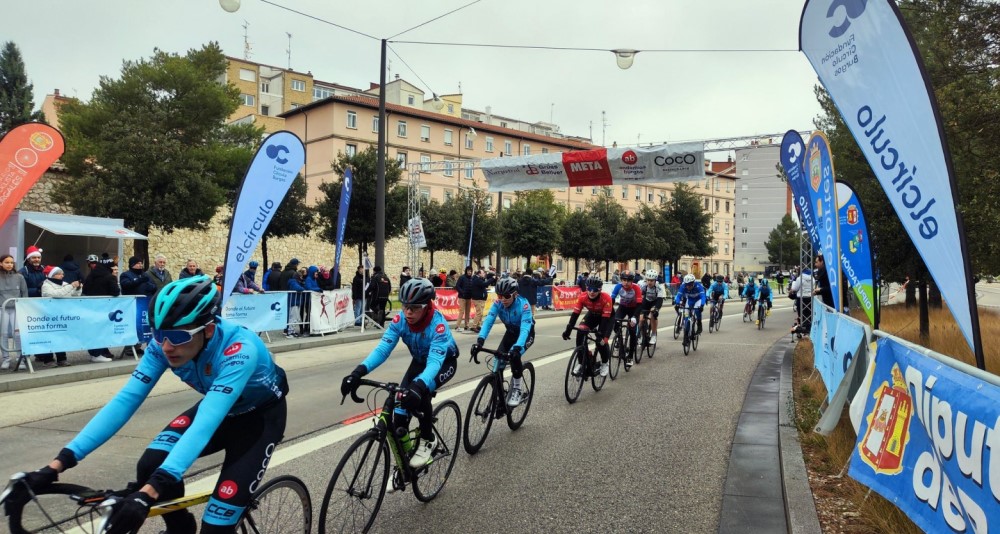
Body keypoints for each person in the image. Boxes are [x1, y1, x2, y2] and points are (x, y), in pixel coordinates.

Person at [5, 275, 289, 534]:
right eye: (159, 334)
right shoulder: (162, 345)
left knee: (215, 524)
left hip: (259, 420)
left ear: (209, 330)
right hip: (221, 411)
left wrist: (150, 493)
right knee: (150, 463)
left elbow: (207, 421)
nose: (166, 347)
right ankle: (181, 528)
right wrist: (57, 465)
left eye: (178, 337)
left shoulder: (240, 350)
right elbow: (125, 401)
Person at [341, 278, 458, 470]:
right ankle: (406, 466)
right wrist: (358, 372)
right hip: (419, 362)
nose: (408, 312)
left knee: (422, 393)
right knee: (399, 418)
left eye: (414, 308)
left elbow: (434, 363)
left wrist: (419, 386)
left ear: (427, 306)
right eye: (405, 306)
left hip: (443, 363)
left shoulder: (439, 326)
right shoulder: (401, 320)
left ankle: (429, 440)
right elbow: (382, 350)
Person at [472, 277, 534, 406]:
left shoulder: (524, 305)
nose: (503, 299)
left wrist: (517, 347)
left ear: (515, 294)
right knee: (497, 360)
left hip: (525, 334)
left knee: (514, 356)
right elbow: (489, 320)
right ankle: (500, 396)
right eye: (500, 295)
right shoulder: (498, 303)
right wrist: (480, 340)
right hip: (510, 333)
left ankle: (517, 388)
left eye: (506, 296)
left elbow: (525, 329)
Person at [561, 275, 613, 377]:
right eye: (589, 289)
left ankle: (605, 363)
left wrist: (600, 334)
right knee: (580, 331)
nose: (591, 292)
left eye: (595, 290)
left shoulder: (606, 298)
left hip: (607, 317)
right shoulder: (583, 297)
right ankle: (581, 363)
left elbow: (605, 320)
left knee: (601, 341)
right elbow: (575, 314)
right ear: (586, 288)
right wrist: (568, 329)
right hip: (592, 314)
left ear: (600, 290)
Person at [41, 266, 82, 367]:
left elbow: (74, 295)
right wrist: (71, 286)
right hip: (50, 315)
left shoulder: (64, 284)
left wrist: (78, 288)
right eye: (59, 274)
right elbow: (56, 294)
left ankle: (62, 358)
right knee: (50, 337)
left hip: (62, 314)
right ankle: (48, 359)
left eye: (62, 274)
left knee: (61, 337)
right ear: (53, 275)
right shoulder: (46, 285)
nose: (62, 276)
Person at [82, 254, 119, 363]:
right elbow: (116, 292)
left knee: (93, 330)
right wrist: (115, 280)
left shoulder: (91, 275)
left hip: (91, 307)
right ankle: (97, 353)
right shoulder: (109, 277)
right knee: (101, 330)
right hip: (104, 308)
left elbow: (85, 290)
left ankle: (96, 352)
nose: (115, 270)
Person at [0, 254, 28, 370]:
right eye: (7, 262)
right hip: (2, 308)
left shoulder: (19, 277)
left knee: (18, 334)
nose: (9, 264)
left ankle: (20, 358)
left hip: (17, 309)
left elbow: (24, 293)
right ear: (1, 263)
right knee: (4, 333)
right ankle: (6, 358)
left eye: (11, 262)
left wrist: (24, 308)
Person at [610, 272, 642, 368]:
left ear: (632, 281)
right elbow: (611, 301)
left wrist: (635, 317)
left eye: (628, 280)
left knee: (632, 331)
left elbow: (640, 304)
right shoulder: (618, 287)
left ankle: (630, 357)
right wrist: (610, 313)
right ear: (621, 280)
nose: (626, 282)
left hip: (634, 309)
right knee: (614, 321)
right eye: (624, 280)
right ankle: (619, 339)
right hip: (623, 307)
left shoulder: (636, 288)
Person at [637, 269, 666, 345]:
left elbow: (660, 300)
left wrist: (656, 308)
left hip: (655, 301)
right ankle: (639, 335)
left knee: (653, 315)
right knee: (641, 318)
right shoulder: (643, 285)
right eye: (648, 280)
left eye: (651, 281)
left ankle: (653, 335)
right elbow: (639, 296)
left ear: (655, 280)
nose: (649, 282)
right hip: (646, 301)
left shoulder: (659, 286)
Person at [790, 268, 815, 335]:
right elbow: (813, 288)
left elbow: (795, 289)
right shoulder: (812, 278)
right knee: (809, 314)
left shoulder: (799, 278)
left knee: (801, 313)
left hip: (801, 298)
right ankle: (808, 328)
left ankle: (801, 327)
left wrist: (792, 291)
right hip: (810, 298)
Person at [454, 266, 475, 332]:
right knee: (461, 311)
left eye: (470, 271)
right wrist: (462, 292)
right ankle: (457, 326)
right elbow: (457, 286)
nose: (469, 272)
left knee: (467, 312)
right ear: (466, 271)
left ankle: (466, 325)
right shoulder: (462, 277)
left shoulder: (472, 278)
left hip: (469, 298)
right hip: (462, 297)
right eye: (468, 271)